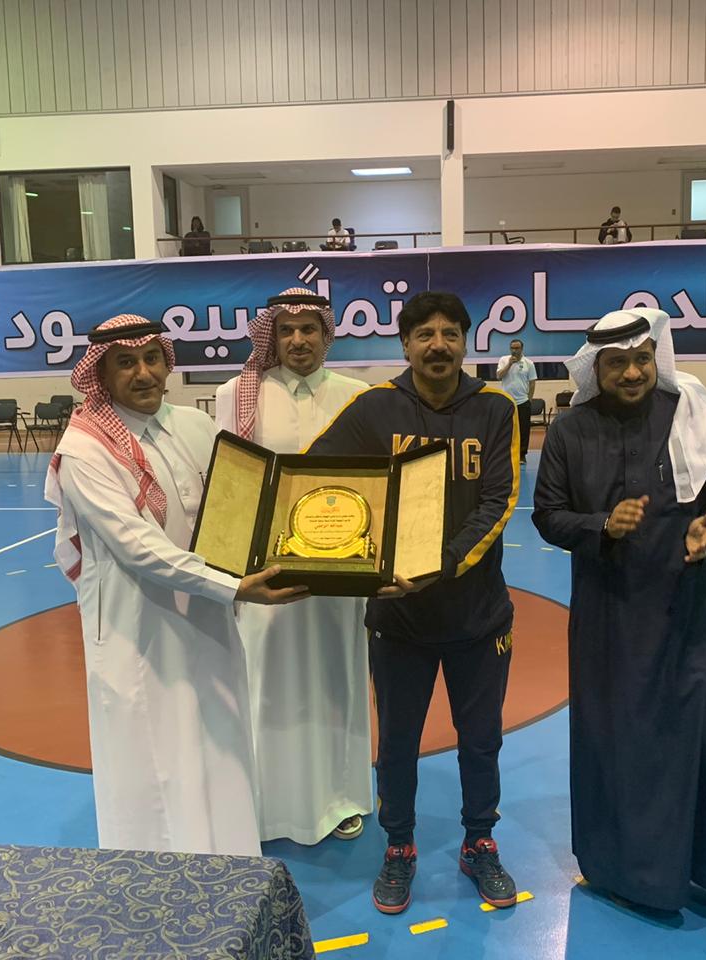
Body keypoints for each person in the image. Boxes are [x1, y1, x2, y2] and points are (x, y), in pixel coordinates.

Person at [531, 308, 706, 936]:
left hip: (692, 610)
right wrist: (601, 525)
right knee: (614, 739)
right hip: (609, 614)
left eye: (641, 360)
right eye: (616, 364)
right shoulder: (571, 431)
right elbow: (547, 514)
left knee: (704, 738)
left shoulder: (691, 413)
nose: (632, 373)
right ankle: (618, 871)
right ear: (595, 368)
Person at [45, 314, 305, 857]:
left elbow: (242, 502)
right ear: (101, 375)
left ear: (167, 363)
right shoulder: (84, 450)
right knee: (153, 757)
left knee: (217, 740)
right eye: (125, 363)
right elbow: (138, 548)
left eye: (152, 359)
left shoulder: (194, 426)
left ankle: (231, 862)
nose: (143, 373)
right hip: (137, 629)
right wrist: (235, 586)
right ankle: (160, 881)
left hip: (206, 617)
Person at [306, 291, 520, 914]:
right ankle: (398, 846)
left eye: (450, 333)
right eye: (424, 334)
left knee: (480, 740)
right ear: (405, 343)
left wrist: (437, 566)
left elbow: (499, 502)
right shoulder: (373, 408)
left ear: (465, 342)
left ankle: (479, 842)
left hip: (478, 617)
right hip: (398, 618)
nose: (437, 345)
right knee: (397, 744)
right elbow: (316, 474)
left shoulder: (496, 408)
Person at [216, 288, 374, 846]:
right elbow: (230, 483)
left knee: (338, 678)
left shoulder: (359, 397)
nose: (298, 340)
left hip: (342, 575)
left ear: (327, 335)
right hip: (268, 575)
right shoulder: (238, 394)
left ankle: (340, 798)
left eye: (309, 329)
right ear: (272, 336)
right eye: (286, 330)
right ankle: (266, 805)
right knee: (266, 680)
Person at [496, 339, 536, 463]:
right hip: (506, 401)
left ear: (522, 349)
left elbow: (532, 383)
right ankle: (506, 453)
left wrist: (529, 399)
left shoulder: (529, 363)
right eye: (512, 348)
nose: (514, 350)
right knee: (506, 428)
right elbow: (499, 376)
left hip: (523, 401)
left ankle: (522, 454)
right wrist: (509, 364)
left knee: (523, 429)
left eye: (517, 348)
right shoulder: (503, 360)